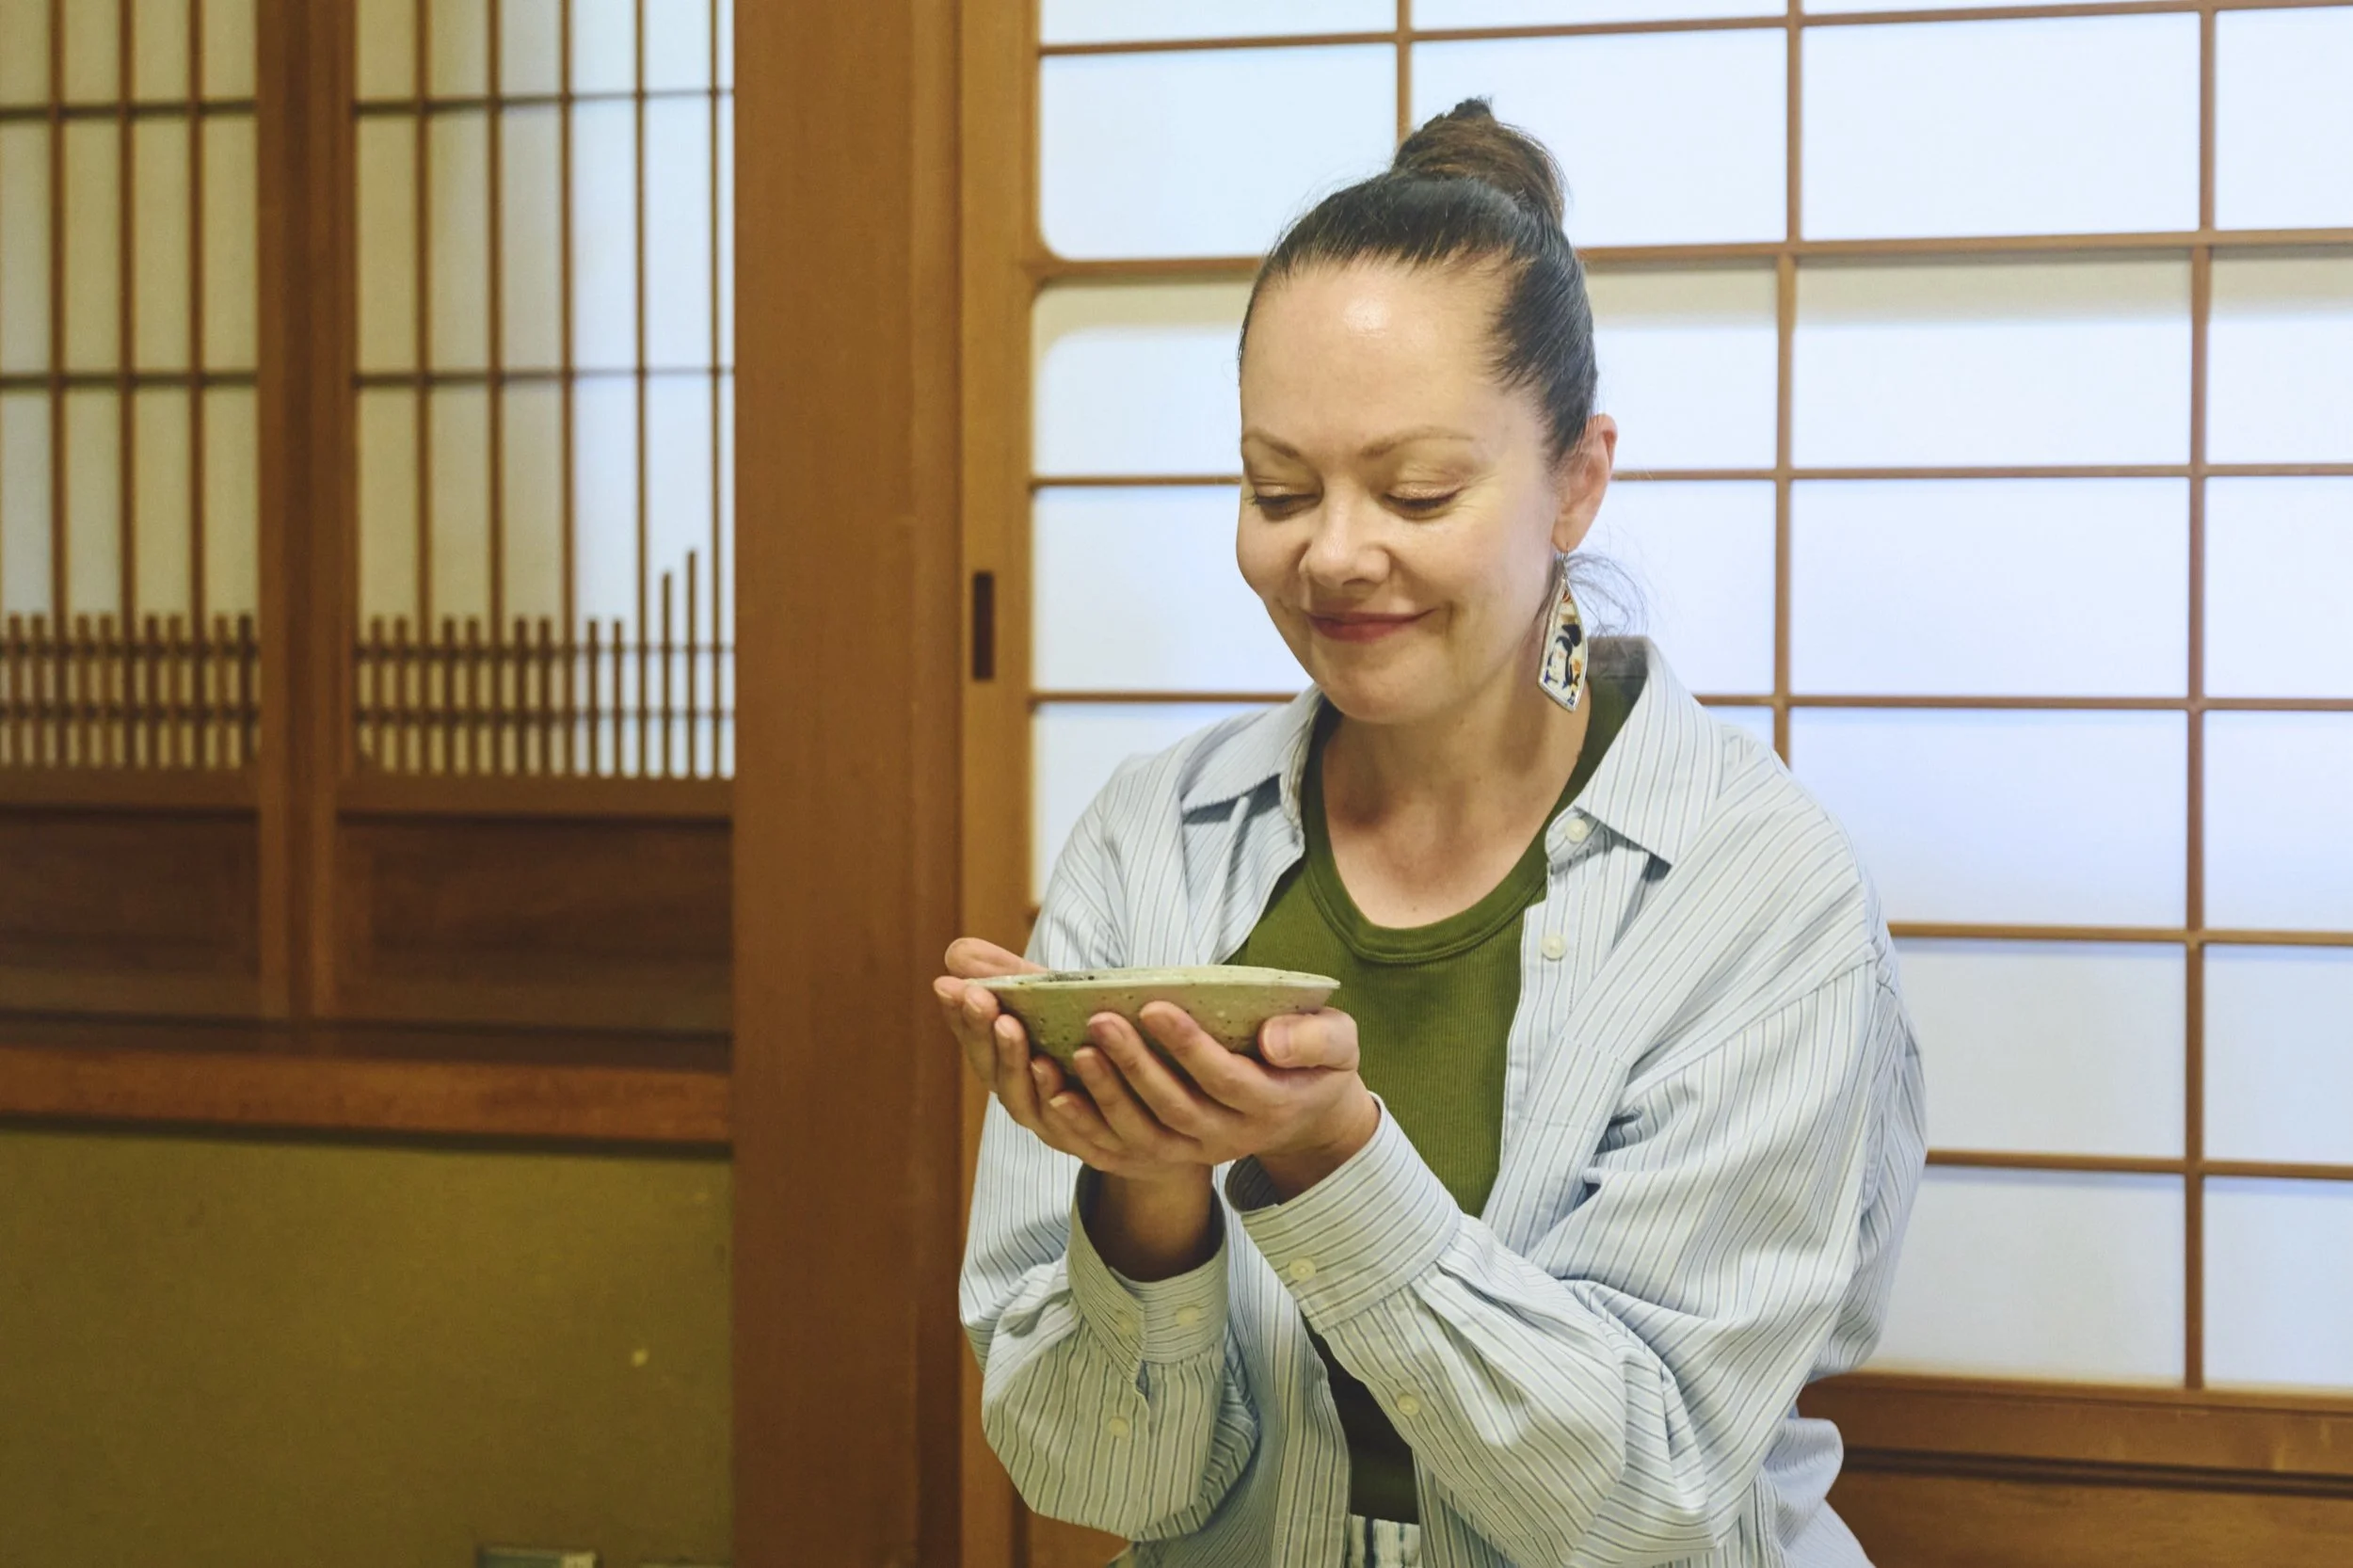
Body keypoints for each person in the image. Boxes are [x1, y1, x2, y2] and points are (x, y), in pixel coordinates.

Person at [938, 99, 1926, 1568]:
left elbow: (1649, 1500)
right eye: (1279, 489)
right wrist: (1145, 1189)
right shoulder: (1157, 846)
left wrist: (1329, 1157)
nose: (1332, 552)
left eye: (1416, 490)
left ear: (1577, 479)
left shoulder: (1755, 893)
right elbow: (1099, 1476)